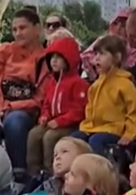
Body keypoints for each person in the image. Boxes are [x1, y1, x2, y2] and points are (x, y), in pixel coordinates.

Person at [0, 7, 47, 171]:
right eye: (14, 29)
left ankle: (19, 174)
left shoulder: (45, 58)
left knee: (14, 122)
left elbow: (42, 96)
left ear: (37, 29)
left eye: (23, 28)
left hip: (26, 110)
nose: (18, 33)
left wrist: (11, 107)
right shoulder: (4, 51)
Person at [26, 37, 90, 176]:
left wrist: (60, 121)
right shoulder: (53, 83)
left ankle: (52, 173)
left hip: (71, 125)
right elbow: (47, 104)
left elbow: (79, 110)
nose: (53, 61)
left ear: (69, 59)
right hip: (52, 122)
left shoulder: (78, 84)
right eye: (51, 57)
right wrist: (44, 116)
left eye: (59, 57)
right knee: (34, 134)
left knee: (50, 138)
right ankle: (35, 173)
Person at [72, 35, 136, 156]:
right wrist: (85, 127)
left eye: (102, 54)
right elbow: (89, 111)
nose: (97, 59)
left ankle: (100, 172)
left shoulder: (125, 84)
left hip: (114, 130)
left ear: (117, 57)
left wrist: (129, 134)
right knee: (74, 140)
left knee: (96, 141)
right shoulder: (96, 84)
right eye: (96, 54)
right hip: (93, 128)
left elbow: (134, 113)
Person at [81, 10, 136, 78]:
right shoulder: (103, 40)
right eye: (116, 23)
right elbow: (85, 57)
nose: (118, 28)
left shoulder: (134, 47)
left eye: (123, 25)